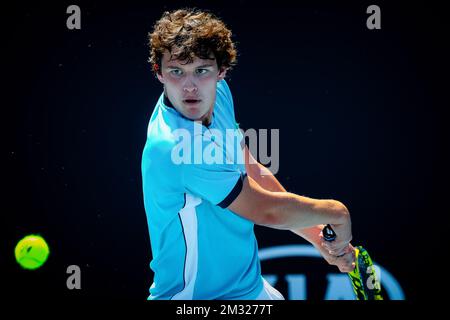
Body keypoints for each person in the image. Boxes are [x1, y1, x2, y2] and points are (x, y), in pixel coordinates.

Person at [141, 8, 355, 300]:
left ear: (222, 72)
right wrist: (336, 212)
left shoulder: (219, 96)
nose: (189, 86)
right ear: (159, 73)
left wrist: (318, 235)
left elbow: (250, 169)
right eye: (176, 72)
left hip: (249, 289)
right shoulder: (176, 148)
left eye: (201, 70)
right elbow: (265, 209)